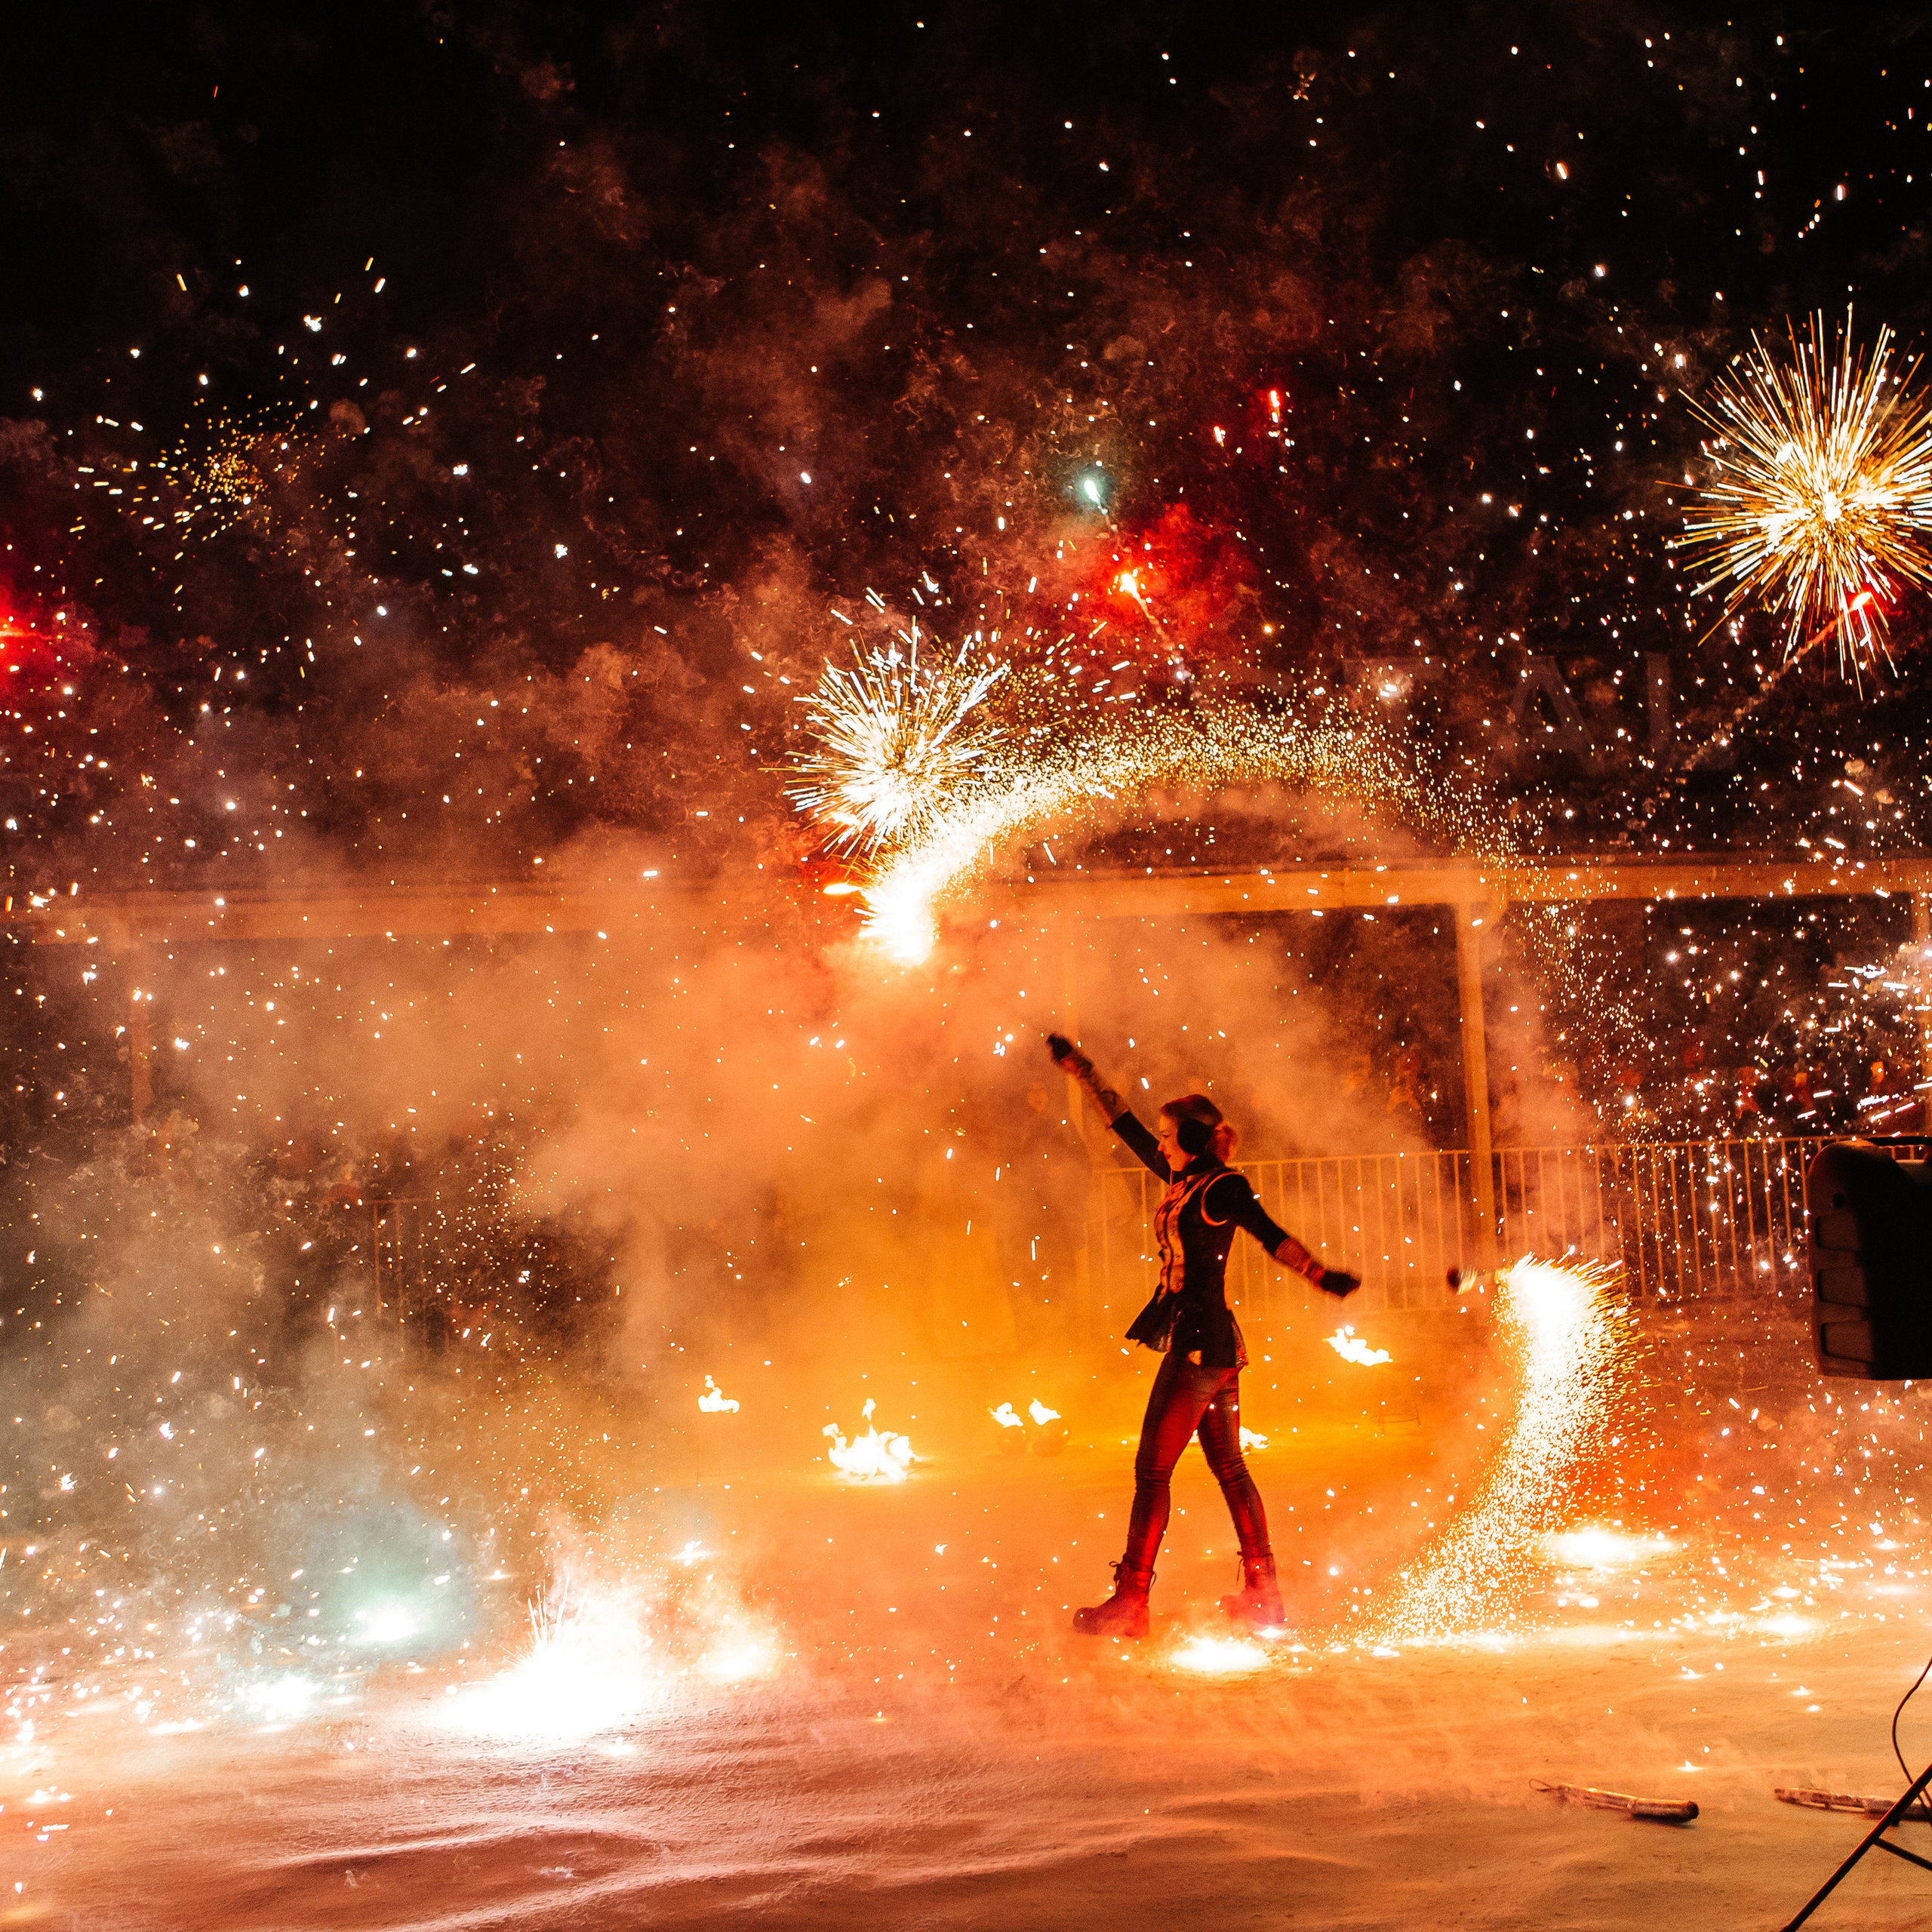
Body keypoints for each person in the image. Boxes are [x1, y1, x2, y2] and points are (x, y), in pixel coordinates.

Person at [1046, 1033, 1361, 1638]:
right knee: (1230, 1468)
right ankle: (1263, 1596)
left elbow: (1271, 1235)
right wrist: (1083, 1070)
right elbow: (1126, 1125)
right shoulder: (1181, 1176)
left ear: (1191, 1140)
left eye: (1170, 1135)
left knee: (1152, 1470)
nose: (1160, 1143)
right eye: (1163, 1137)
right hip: (1210, 1344)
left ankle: (1132, 1602)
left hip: (1200, 1348)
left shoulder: (1222, 1187)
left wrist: (1319, 1274)